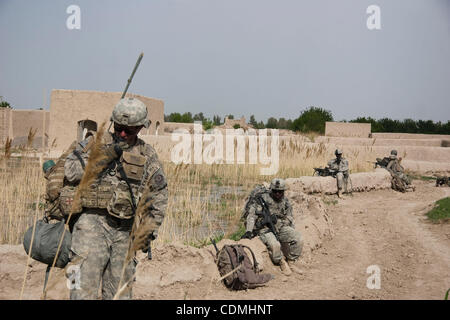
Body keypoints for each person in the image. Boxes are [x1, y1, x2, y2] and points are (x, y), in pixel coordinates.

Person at [64, 97, 168, 299]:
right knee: (81, 291)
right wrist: (104, 155)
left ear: (141, 128)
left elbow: (159, 195)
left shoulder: (147, 154)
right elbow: (71, 171)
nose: (122, 134)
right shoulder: (94, 143)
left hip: (125, 231)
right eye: (119, 128)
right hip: (91, 226)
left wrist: (149, 230)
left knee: (120, 293)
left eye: (129, 131)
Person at [242, 178, 303, 276]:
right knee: (275, 246)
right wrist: (249, 230)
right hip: (265, 229)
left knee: (298, 238)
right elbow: (251, 215)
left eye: (280, 192)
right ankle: (281, 262)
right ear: (271, 190)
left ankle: (291, 261)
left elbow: (290, 216)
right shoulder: (262, 199)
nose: (277, 194)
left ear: (283, 191)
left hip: (280, 227)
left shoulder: (285, 202)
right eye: (275, 191)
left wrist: (283, 223)